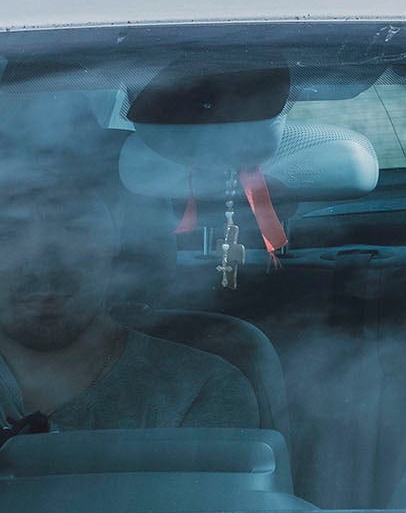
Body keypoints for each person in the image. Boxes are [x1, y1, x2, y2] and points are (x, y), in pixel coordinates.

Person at [0, 186, 258, 440]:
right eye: (7, 232)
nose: (42, 266)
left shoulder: (199, 389)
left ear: (116, 233)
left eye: (74, 227)